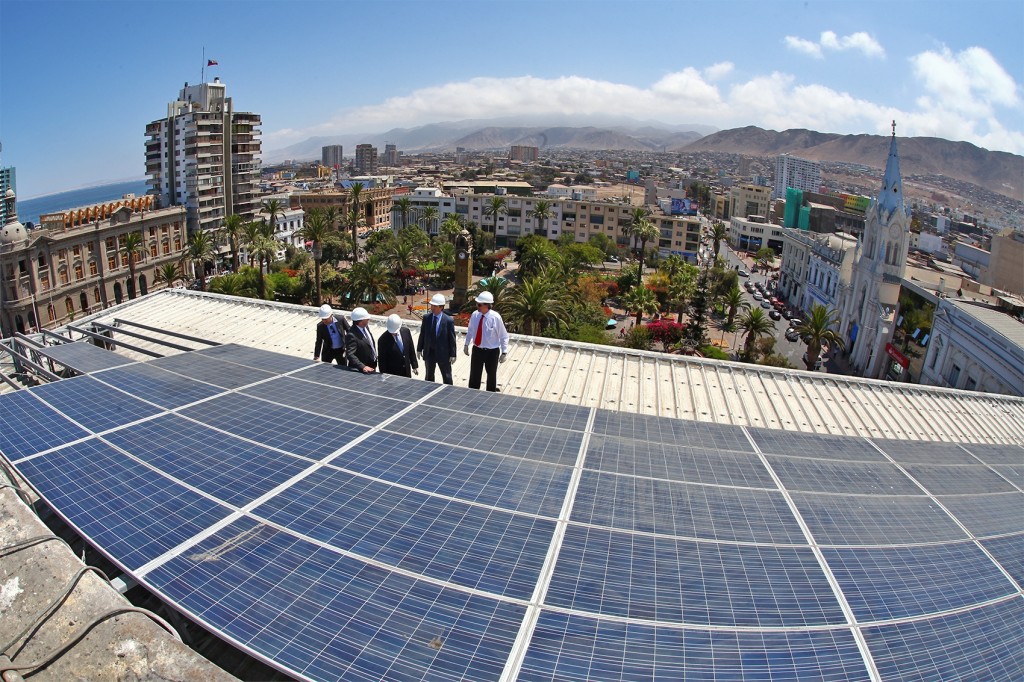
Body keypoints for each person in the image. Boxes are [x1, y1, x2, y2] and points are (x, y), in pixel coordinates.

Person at [463, 291, 509, 392]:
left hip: (491, 352)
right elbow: (470, 331)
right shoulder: (475, 315)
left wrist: (504, 352)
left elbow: (503, 335)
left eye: (479, 305)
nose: (477, 306)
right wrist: (466, 344)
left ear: (487, 305)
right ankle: (472, 394)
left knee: (491, 375)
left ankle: (490, 395)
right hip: (477, 350)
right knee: (474, 374)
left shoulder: (495, 317)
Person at [417, 293, 456, 385]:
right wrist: (419, 349)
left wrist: (453, 354)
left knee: (447, 376)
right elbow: (423, 334)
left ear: (441, 307)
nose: (432, 308)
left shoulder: (448, 321)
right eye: (432, 305)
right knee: (429, 376)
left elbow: (452, 338)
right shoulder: (427, 318)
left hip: (443, 354)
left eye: (435, 306)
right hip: (429, 352)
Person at [345, 307, 377, 373]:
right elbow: (350, 354)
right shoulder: (351, 335)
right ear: (361, 321)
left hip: (372, 366)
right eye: (366, 319)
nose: (368, 319)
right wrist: (362, 366)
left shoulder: (366, 327)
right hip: (362, 370)